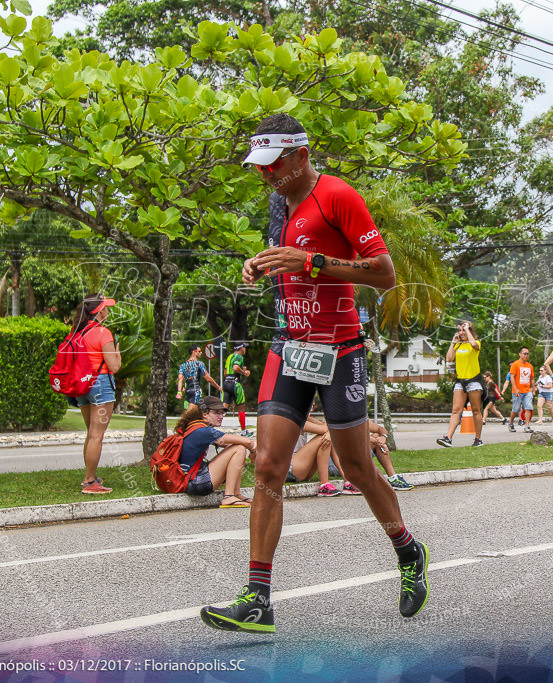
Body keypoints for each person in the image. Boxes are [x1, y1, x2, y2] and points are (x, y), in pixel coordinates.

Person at [202, 114, 428, 634]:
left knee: (355, 468)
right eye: (259, 166)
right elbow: (291, 261)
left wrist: (311, 263)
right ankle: (258, 598)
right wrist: (260, 264)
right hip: (288, 348)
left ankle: (408, 550)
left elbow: (384, 274)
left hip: (339, 349)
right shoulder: (277, 204)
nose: (266, 175)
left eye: (274, 165)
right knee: (267, 469)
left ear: (301, 155)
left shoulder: (338, 195)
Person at [65, 294, 122, 494]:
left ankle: (90, 476)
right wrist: (118, 354)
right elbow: (113, 367)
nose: (108, 311)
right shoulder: (103, 333)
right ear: (98, 312)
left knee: (91, 434)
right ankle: (90, 482)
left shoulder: (77, 332)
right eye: (106, 307)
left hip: (81, 385)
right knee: (97, 435)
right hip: (100, 385)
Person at [177, 397, 256, 508]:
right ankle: (229, 496)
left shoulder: (196, 426)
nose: (221, 417)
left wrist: (249, 451)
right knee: (239, 449)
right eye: (216, 413)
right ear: (204, 413)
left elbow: (230, 445)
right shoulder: (203, 431)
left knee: (239, 448)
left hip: (192, 480)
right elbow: (244, 442)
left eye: (222, 413)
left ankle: (236, 494)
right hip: (196, 482)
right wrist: (252, 447)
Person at [436, 321, 484, 447]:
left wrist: (467, 329)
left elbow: (473, 343)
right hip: (460, 381)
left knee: (475, 410)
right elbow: (449, 358)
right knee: (456, 410)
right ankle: (448, 438)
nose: (462, 333)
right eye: (460, 330)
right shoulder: (459, 345)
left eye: (464, 330)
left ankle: (478, 439)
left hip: (474, 381)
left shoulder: (476, 343)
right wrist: (453, 341)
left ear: (470, 330)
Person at [499, 347, 535, 433]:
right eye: (524, 353)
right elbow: (512, 377)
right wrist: (515, 389)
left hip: (527, 391)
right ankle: (511, 423)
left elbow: (532, 378)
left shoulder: (530, 366)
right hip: (517, 391)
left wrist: (533, 389)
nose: (526, 355)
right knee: (516, 410)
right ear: (520, 354)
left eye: (527, 354)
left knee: (528, 408)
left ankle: (527, 426)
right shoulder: (515, 364)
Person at [176, 344, 221, 409]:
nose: (201, 353)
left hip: (188, 392)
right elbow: (208, 379)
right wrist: (218, 387)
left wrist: (179, 391)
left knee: (196, 413)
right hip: (196, 391)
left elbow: (180, 380)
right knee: (190, 414)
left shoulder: (183, 365)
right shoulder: (200, 364)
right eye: (199, 351)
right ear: (193, 352)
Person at [222, 342, 253, 437]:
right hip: (235, 384)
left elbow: (225, 372)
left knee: (223, 409)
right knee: (241, 408)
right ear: (241, 348)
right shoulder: (239, 357)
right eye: (244, 347)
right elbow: (235, 368)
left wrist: (240, 370)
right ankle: (244, 432)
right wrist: (244, 372)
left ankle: (210, 426)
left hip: (226, 383)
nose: (245, 349)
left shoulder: (229, 357)